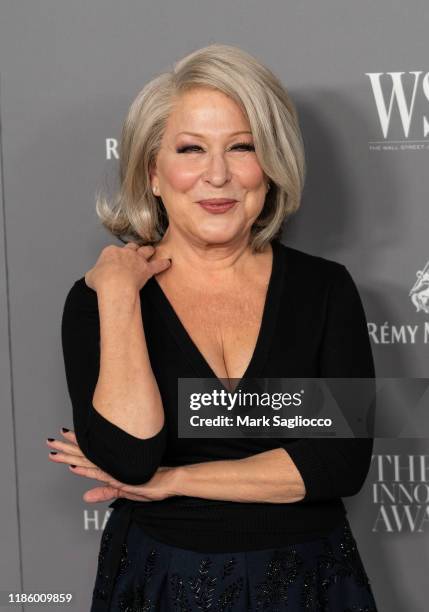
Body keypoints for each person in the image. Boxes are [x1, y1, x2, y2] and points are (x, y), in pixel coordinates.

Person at [48, 43, 378, 610]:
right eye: (191, 148)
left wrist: (174, 482)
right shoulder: (98, 301)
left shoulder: (326, 290)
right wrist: (124, 293)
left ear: (269, 166)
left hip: (311, 582)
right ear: (153, 172)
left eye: (242, 147)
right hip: (158, 581)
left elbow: (337, 464)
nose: (218, 175)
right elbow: (130, 458)